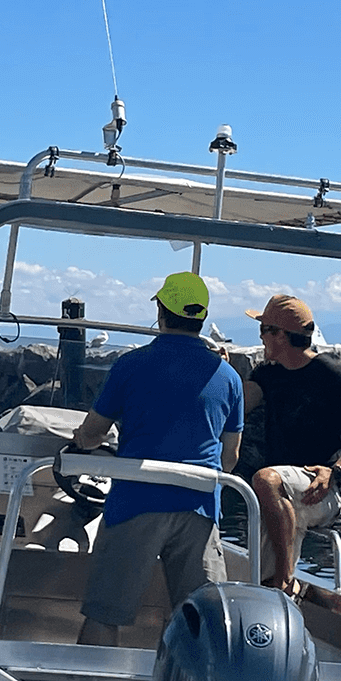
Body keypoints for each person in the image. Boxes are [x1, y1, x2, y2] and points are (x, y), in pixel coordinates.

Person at [70, 272, 244, 646]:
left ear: (161, 312)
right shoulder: (229, 377)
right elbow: (230, 459)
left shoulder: (130, 365)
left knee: (104, 614)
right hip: (199, 507)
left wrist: (82, 440)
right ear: (201, 317)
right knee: (202, 623)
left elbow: (93, 432)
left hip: (137, 501)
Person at [243, 294, 341, 593]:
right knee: (269, 495)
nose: (260, 338)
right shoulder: (266, 375)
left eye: (263, 330)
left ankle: (285, 580)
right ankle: (277, 592)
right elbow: (238, 407)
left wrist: (336, 471)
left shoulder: (330, 375)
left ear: (279, 335)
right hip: (281, 490)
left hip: (324, 487)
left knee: (265, 481)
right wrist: (223, 373)